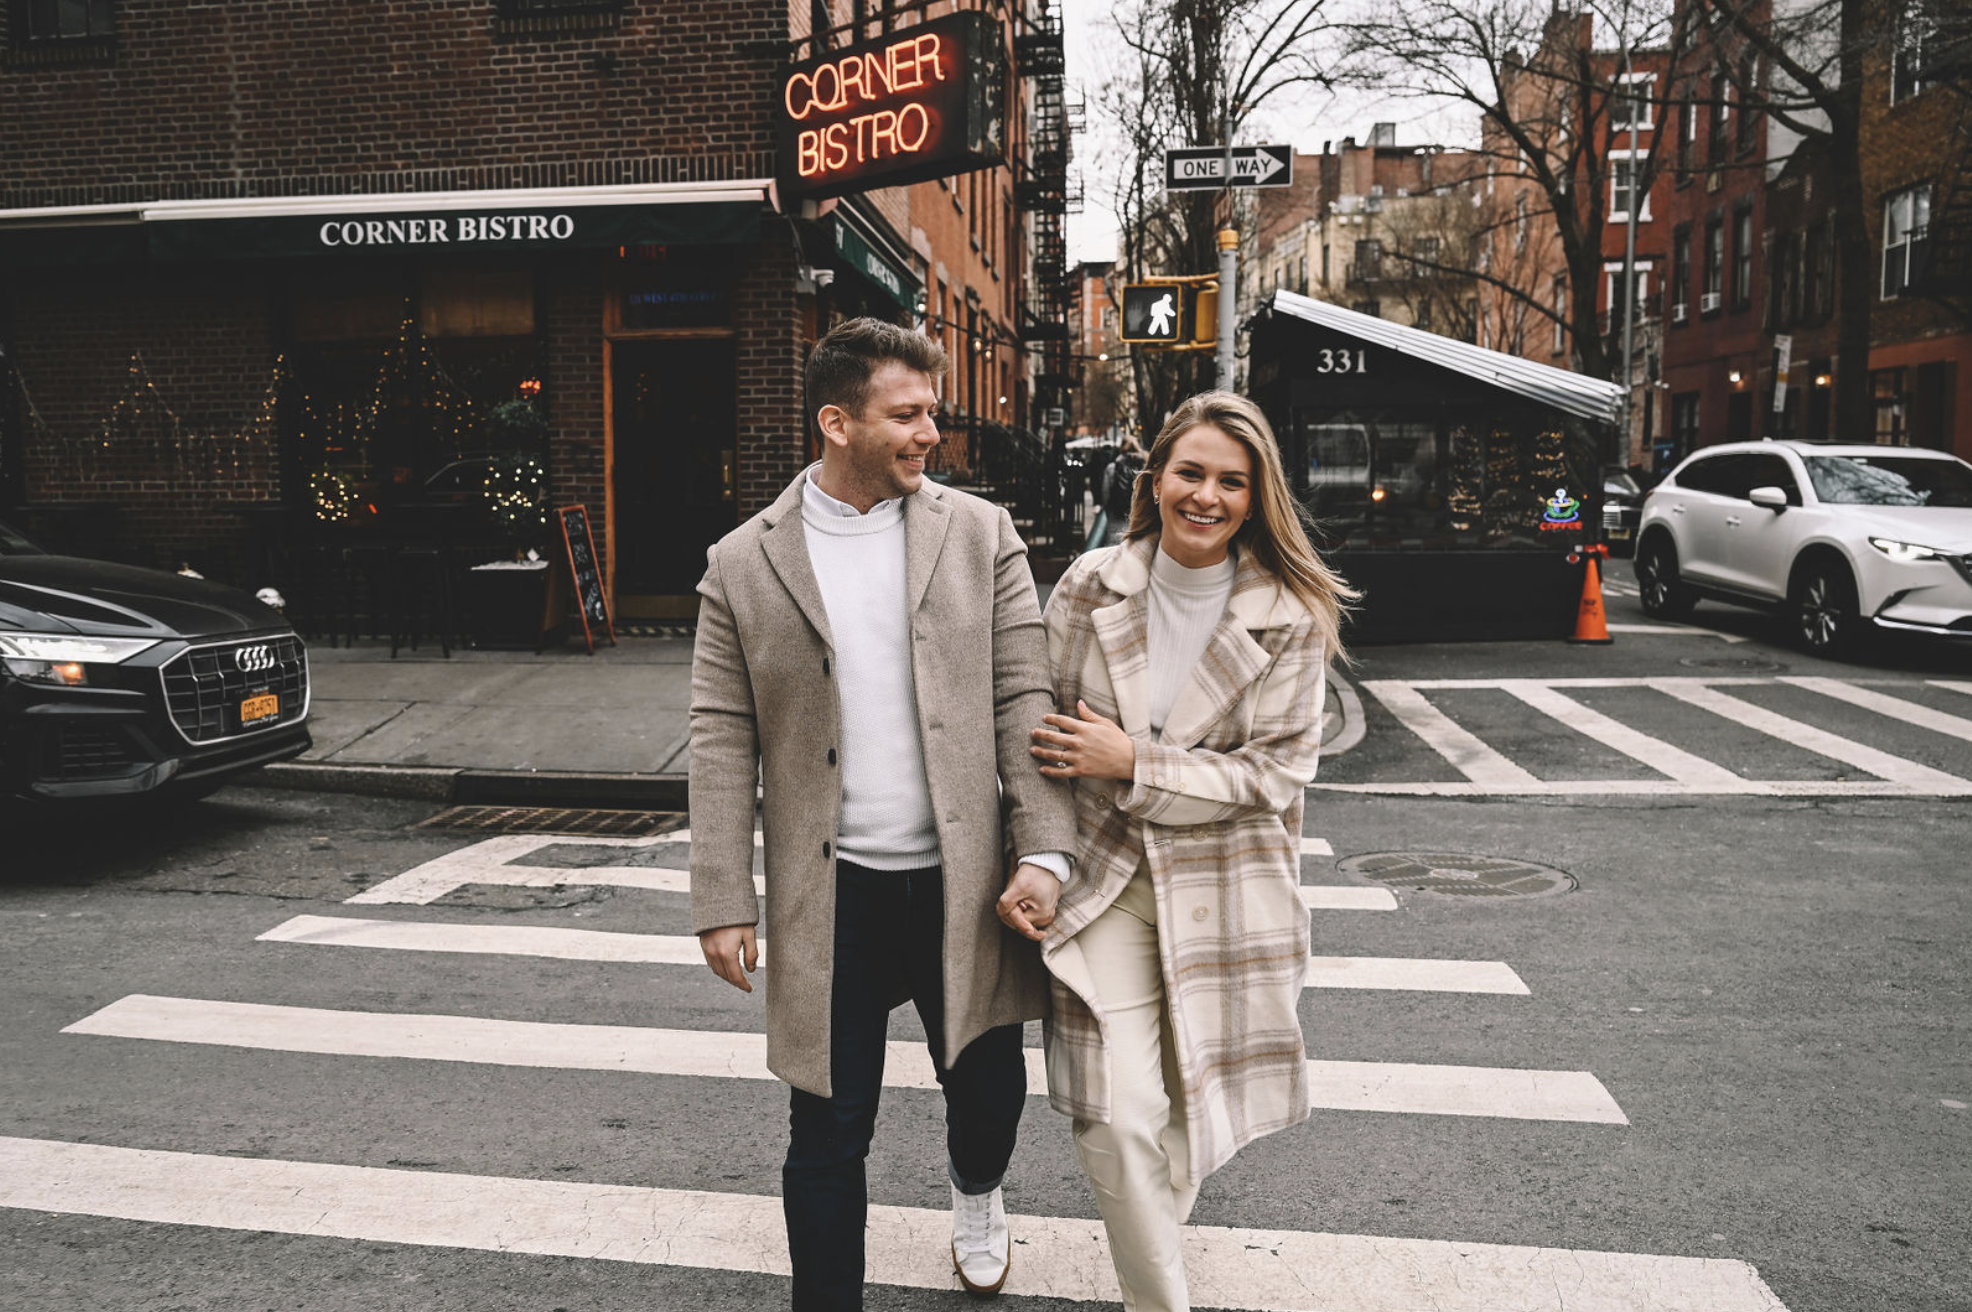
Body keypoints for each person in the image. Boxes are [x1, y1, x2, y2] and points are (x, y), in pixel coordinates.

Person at [689, 317, 1078, 1312]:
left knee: (988, 1096)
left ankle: (976, 1189)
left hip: (965, 885)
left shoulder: (979, 534)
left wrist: (1044, 850)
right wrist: (723, 894)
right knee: (824, 1131)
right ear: (837, 423)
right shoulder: (742, 562)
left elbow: (1022, 697)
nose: (929, 433)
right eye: (905, 415)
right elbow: (721, 732)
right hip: (833, 898)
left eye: (930, 413)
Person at [999, 391, 1355, 1312]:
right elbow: (1042, 740)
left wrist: (1134, 761)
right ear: (1153, 479)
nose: (1207, 496)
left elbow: (1274, 775)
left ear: (1256, 496)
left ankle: (1145, 1268)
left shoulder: (1291, 613)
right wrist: (1041, 857)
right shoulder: (1090, 585)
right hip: (1105, 879)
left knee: (1187, 1122)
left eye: (1232, 481)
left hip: (1227, 891)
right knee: (1118, 1117)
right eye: (1190, 473)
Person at [1098, 437, 1145, 548]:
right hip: (1139, 521)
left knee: (1114, 550)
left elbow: (1105, 496)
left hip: (1116, 519)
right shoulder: (1144, 468)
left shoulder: (1112, 468)